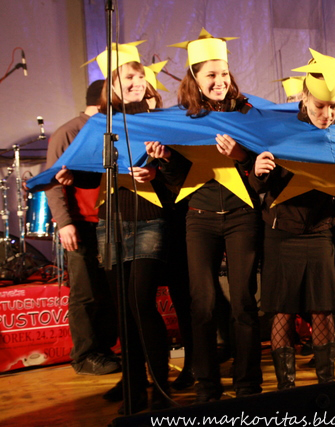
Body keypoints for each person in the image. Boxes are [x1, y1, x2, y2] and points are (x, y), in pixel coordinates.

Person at [249, 50, 335, 411]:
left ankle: (326, 390)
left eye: (333, 107)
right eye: (320, 106)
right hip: (281, 231)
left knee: (323, 310)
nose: (327, 114)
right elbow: (258, 185)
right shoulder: (278, 128)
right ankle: (286, 392)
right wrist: (258, 171)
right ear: (304, 98)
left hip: (319, 230)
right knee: (282, 311)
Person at [150, 29, 263, 402]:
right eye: (211, 75)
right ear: (195, 79)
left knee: (243, 302)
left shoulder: (247, 114)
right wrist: (166, 159)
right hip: (199, 218)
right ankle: (207, 385)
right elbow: (175, 181)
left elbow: (265, 168)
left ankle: (248, 384)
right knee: (203, 303)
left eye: (224, 73)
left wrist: (241, 156)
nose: (219, 81)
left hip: (242, 216)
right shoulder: (182, 120)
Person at [72, 42, 174, 414]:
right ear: (111, 85)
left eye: (139, 75)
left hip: (149, 218)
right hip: (111, 222)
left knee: (141, 302)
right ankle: (134, 390)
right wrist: (71, 174)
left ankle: (160, 387)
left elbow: (178, 172)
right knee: (123, 311)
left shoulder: (159, 118)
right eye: (127, 77)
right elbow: (88, 175)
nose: (136, 82)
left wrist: (157, 170)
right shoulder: (101, 123)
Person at [44, 79, 120, 376]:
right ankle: (85, 355)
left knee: (107, 291)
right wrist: (64, 223)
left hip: (110, 222)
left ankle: (104, 349)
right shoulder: (70, 131)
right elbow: (52, 181)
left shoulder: (111, 128)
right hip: (81, 222)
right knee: (86, 291)